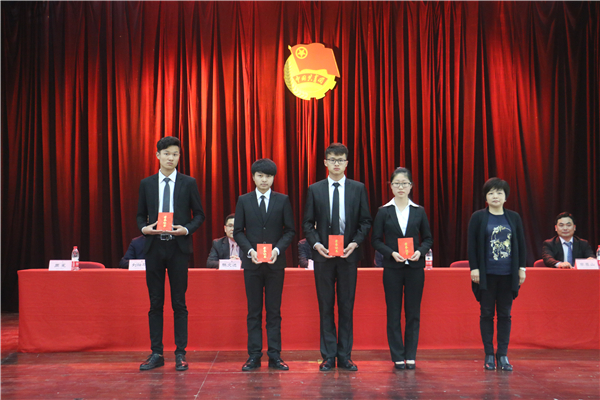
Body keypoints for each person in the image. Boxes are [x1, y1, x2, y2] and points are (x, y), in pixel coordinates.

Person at [136, 136, 205, 371]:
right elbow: (139, 214)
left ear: (179, 157)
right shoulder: (147, 183)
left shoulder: (188, 183)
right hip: (154, 247)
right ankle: (156, 353)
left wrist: (186, 229)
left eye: (175, 154)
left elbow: (199, 214)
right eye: (166, 153)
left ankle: (180, 353)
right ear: (157, 155)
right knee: (155, 302)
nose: (170, 158)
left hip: (178, 248)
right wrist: (144, 229)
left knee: (179, 303)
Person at [302, 143, 372, 371]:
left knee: (346, 306)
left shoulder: (357, 188)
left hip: (348, 255)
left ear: (346, 163)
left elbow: (365, 221)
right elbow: (307, 223)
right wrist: (316, 244)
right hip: (323, 256)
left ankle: (345, 356)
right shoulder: (315, 189)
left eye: (340, 160)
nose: (336, 164)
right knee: (325, 306)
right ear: (325, 162)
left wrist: (354, 243)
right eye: (332, 159)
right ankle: (328, 356)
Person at [233, 159, 295, 371]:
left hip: (275, 264)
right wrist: (250, 252)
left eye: (268, 176)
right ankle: (254, 355)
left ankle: (275, 355)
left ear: (273, 178)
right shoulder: (244, 200)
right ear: (253, 177)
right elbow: (238, 231)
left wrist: (277, 250)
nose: (264, 180)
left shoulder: (282, 200)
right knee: (254, 311)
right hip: (252, 264)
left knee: (274, 311)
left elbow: (290, 230)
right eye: (260, 176)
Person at [371, 167, 433, 370]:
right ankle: (397, 355)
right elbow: (376, 240)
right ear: (391, 186)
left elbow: (428, 239)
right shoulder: (383, 211)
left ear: (411, 186)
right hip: (392, 268)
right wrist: (391, 253)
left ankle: (411, 355)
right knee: (394, 312)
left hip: (415, 268)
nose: (400, 187)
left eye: (404, 183)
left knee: (413, 312)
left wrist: (420, 252)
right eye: (396, 183)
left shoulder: (419, 211)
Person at [468, 177, 526, 371]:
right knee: (486, 314)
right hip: (486, 275)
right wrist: (474, 268)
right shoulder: (478, 217)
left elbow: (521, 244)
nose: (495, 196)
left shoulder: (513, 217)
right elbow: (472, 245)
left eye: (499, 193)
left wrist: (522, 268)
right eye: (491, 193)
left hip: (508, 274)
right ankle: (488, 354)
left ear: (505, 197)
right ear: (486, 197)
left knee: (505, 315)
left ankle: (502, 355)